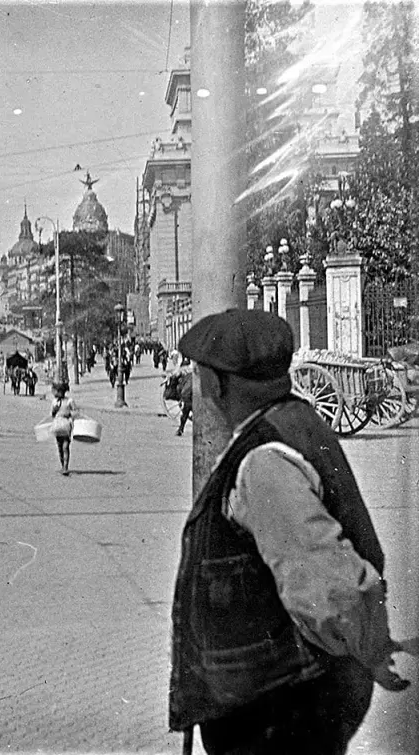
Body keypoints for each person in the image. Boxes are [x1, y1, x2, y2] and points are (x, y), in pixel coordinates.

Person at [168, 308, 415, 755]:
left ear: (221, 384)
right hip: (290, 697)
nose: (198, 385)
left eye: (202, 374)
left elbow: (329, 587)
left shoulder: (264, 460)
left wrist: (366, 648)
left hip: (278, 709)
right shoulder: (294, 421)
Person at [50, 382, 76, 475]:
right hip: (57, 424)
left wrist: (70, 416)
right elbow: (52, 415)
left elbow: (75, 412)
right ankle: (62, 465)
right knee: (59, 446)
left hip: (66, 424)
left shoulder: (69, 401)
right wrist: (54, 410)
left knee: (65, 446)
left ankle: (65, 467)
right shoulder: (54, 401)